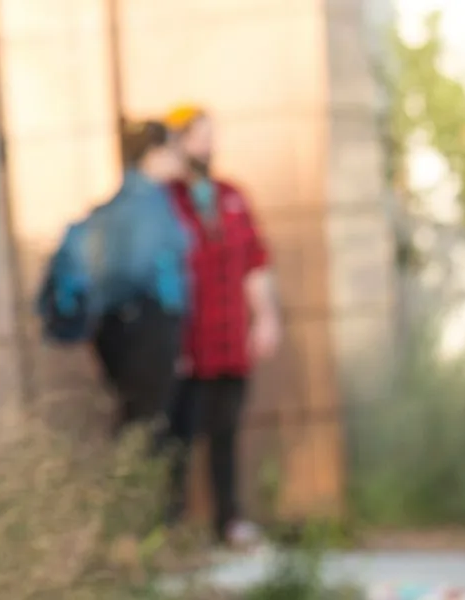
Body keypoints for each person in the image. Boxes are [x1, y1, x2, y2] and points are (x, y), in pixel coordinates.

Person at [162, 104, 281, 547]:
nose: (207, 146)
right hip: (189, 344)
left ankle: (228, 519)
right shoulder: (166, 201)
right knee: (179, 436)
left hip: (230, 339)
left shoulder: (232, 196)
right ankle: (170, 526)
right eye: (198, 137)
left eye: (210, 137)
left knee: (226, 431)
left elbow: (255, 262)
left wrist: (265, 317)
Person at [85, 121, 195, 439]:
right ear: (152, 154)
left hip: (125, 324)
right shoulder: (145, 204)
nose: (179, 158)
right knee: (148, 425)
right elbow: (141, 268)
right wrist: (170, 317)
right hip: (147, 324)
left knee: (139, 418)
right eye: (172, 150)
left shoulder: (128, 201)